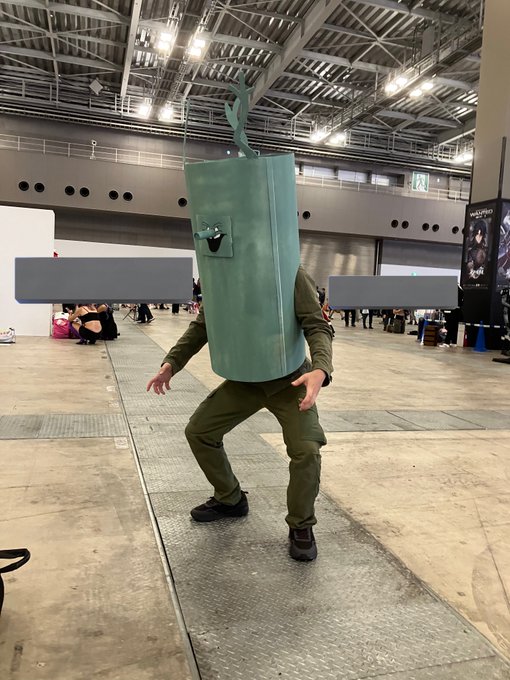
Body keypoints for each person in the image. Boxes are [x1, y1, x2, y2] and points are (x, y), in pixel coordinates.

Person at [147, 266, 333, 562]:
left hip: (291, 380)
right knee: (200, 431)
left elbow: (316, 325)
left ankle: (301, 524)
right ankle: (230, 498)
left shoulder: (288, 271)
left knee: (306, 450)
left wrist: (321, 369)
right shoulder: (220, 275)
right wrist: (172, 363)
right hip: (246, 379)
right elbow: (202, 327)